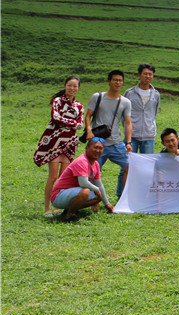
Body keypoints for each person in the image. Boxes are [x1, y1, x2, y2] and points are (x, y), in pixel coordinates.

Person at [34, 76, 85, 217]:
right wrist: (72, 123)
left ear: (78, 88)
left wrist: (71, 123)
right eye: (70, 85)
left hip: (70, 144)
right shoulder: (57, 101)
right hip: (55, 142)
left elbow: (81, 124)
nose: (72, 88)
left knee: (63, 178)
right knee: (52, 177)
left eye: (75, 86)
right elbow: (55, 117)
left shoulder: (79, 106)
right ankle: (46, 208)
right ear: (65, 86)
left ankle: (59, 207)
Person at [84, 70, 133, 199]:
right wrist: (89, 130)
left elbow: (128, 123)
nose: (118, 82)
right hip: (98, 143)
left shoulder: (125, 102)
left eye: (120, 80)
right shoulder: (97, 97)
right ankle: (93, 200)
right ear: (109, 81)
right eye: (115, 80)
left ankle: (124, 198)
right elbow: (88, 116)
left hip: (116, 143)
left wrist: (128, 142)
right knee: (91, 173)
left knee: (129, 167)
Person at [50, 137, 115, 221]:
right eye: (95, 147)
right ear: (86, 148)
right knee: (86, 192)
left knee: (98, 195)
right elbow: (83, 183)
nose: (97, 150)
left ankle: (70, 209)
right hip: (58, 196)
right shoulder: (82, 161)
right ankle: (70, 214)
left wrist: (107, 204)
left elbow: (99, 184)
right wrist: (97, 190)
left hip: (71, 192)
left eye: (100, 148)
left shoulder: (95, 164)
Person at [124, 63, 161, 155]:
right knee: (128, 164)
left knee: (147, 165)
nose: (148, 76)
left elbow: (154, 113)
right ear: (139, 75)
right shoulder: (130, 93)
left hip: (149, 135)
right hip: (132, 135)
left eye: (150, 74)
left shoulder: (156, 94)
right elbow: (124, 113)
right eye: (145, 73)